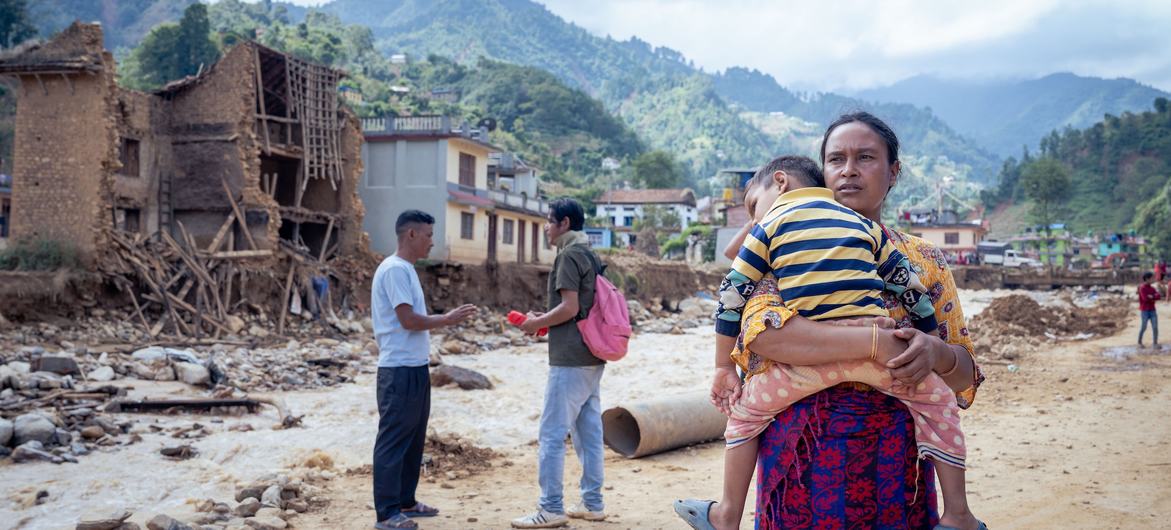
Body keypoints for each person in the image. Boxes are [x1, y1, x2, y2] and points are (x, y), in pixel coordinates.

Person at [709, 112, 985, 530]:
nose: (849, 170)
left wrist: (936, 352)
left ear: (893, 172)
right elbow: (766, 339)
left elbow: (963, 375)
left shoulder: (924, 259)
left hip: (898, 461)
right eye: (836, 159)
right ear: (821, 175)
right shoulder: (783, 256)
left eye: (866, 158)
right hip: (801, 457)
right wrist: (877, 343)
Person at [371, 210, 477, 530]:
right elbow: (408, 320)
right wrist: (447, 319)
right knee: (393, 440)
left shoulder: (407, 270)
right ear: (412, 235)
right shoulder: (394, 270)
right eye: (429, 235)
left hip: (414, 366)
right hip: (398, 369)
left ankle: (405, 501)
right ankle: (387, 513)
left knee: (414, 438)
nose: (433, 241)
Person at [512, 198, 607, 529]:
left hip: (569, 358)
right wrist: (543, 319)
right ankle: (593, 502)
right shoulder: (589, 254)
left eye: (549, 221)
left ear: (565, 223)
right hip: (592, 355)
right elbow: (579, 308)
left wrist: (533, 323)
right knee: (588, 431)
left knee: (552, 433)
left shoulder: (568, 255)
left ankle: (551, 507)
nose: (546, 227)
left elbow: (568, 308)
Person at [1138, 271, 1160, 347]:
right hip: (1145, 310)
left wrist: (1152, 297)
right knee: (1144, 327)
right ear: (1147, 279)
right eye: (1151, 278)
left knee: (1155, 327)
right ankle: (1139, 342)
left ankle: (1155, 343)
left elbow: (1158, 296)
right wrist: (1154, 297)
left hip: (1152, 310)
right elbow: (1145, 299)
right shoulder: (1142, 288)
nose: (1153, 280)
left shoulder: (1152, 288)